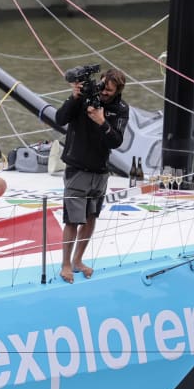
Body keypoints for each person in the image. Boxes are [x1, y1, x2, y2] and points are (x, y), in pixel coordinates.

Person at [55, 67, 129, 283]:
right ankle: (66, 264)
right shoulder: (84, 97)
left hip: (100, 169)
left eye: (110, 91)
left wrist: (101, 121)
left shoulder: (121, 108)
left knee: (90, 217)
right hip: (77, 167)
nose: (104, 93)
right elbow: (60, 118)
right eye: (103, 88)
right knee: (72, 219)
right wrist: (74, 97)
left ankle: (78, 260)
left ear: (118, 91)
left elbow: (116, 141)